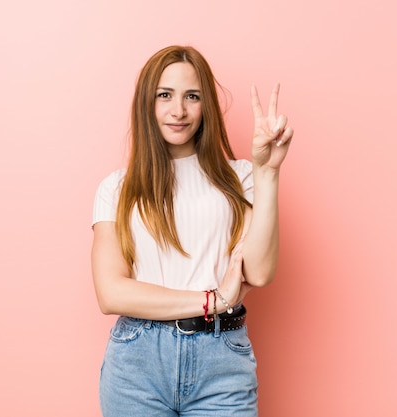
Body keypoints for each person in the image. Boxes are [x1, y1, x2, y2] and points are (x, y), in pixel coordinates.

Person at [91, 45, 293, 416]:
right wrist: (212, 301)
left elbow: (260, 272)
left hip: (221, 362)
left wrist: (268, 172)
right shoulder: (117, 189)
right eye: (164, 95)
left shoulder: (242, 177)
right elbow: (111, 292)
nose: (178, 110)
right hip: (137, 363)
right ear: (146, 104)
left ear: (207, 107)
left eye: (192, 96)